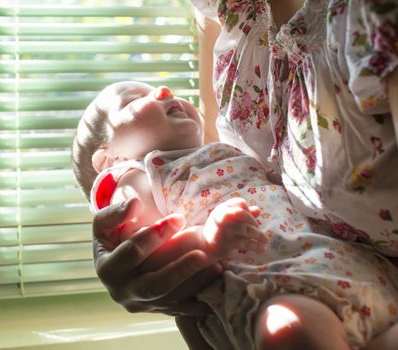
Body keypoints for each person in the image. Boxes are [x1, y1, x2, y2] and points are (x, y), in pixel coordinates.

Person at [71, 81, 398, 350]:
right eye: (133, 100)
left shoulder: (223, 153)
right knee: (289, 329)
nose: (164, 91)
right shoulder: (132, 175)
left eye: (162, 88)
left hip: (351, 267)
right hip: (272, 288)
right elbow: (149, 247)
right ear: (108, 159)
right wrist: (207, 241)